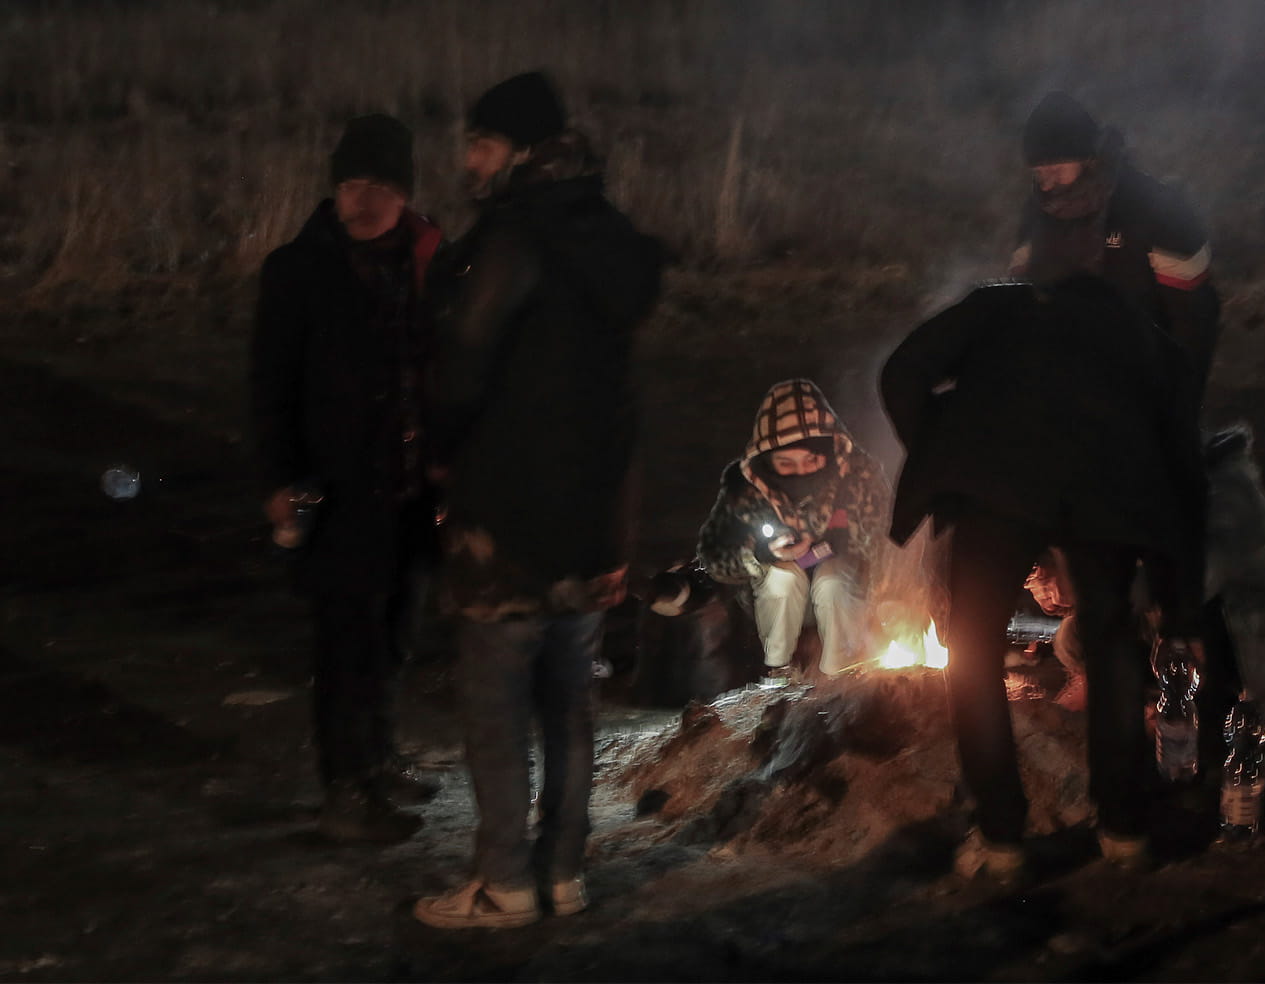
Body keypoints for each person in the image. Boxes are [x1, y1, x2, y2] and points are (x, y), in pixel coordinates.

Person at [412, 72, 662, 929]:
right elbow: (618, 394)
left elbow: (464, 363)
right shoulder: (609, 239)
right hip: (590, 519)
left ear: (520, 150)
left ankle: (504, 884)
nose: (467, 161)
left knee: (494, 706)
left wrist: (441, 458)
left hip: (508, 517)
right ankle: (563, 873)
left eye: (480, 144)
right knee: (570, 705)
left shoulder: (517, 239)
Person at [880, 274, 1208, 878]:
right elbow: (1184, 471)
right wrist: (1180, 606)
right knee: (1111, 642)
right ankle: (1124, 832)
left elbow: (901, 372)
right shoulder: (1148, 336)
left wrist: (944, 449)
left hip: (997, 485)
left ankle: (1001, 839)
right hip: (1104, 493)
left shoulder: (1001, 304)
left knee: (974, 648)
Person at [249, 114, 444, 844]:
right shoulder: (298, 271)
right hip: (335, 492)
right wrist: (278, 478)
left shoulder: (425, 263)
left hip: (409, 489)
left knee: (394, 634)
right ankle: (345, 789)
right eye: (351, 183)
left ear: (404, 193)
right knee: (345, 646)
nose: (363, 200)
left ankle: (379, 760)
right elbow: (269, 386)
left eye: (381, 186)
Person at [1009, 91, 1221, 412]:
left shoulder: (1154, 211)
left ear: (1089, 159)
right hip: (1063, 380)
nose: (1048, 185)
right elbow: (1023, 297)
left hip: (1143, 380)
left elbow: (1194, 320)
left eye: (1056, 171)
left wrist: (1178, 404)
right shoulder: (1037, 214)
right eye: (1040, 174)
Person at [696, 379, 890, 686]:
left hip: (847, 589)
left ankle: (841, 675)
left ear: (828, 453)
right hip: (774, 600)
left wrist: (840, 542)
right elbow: (714, 554)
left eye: (810, 460)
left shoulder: (857, 477)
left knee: (833, 583)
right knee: (782, 580)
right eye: (786, 463)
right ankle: (778, 673)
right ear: (766, 461)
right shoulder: (744, 490)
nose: (800, 471)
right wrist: (762, 553)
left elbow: (886, 542)